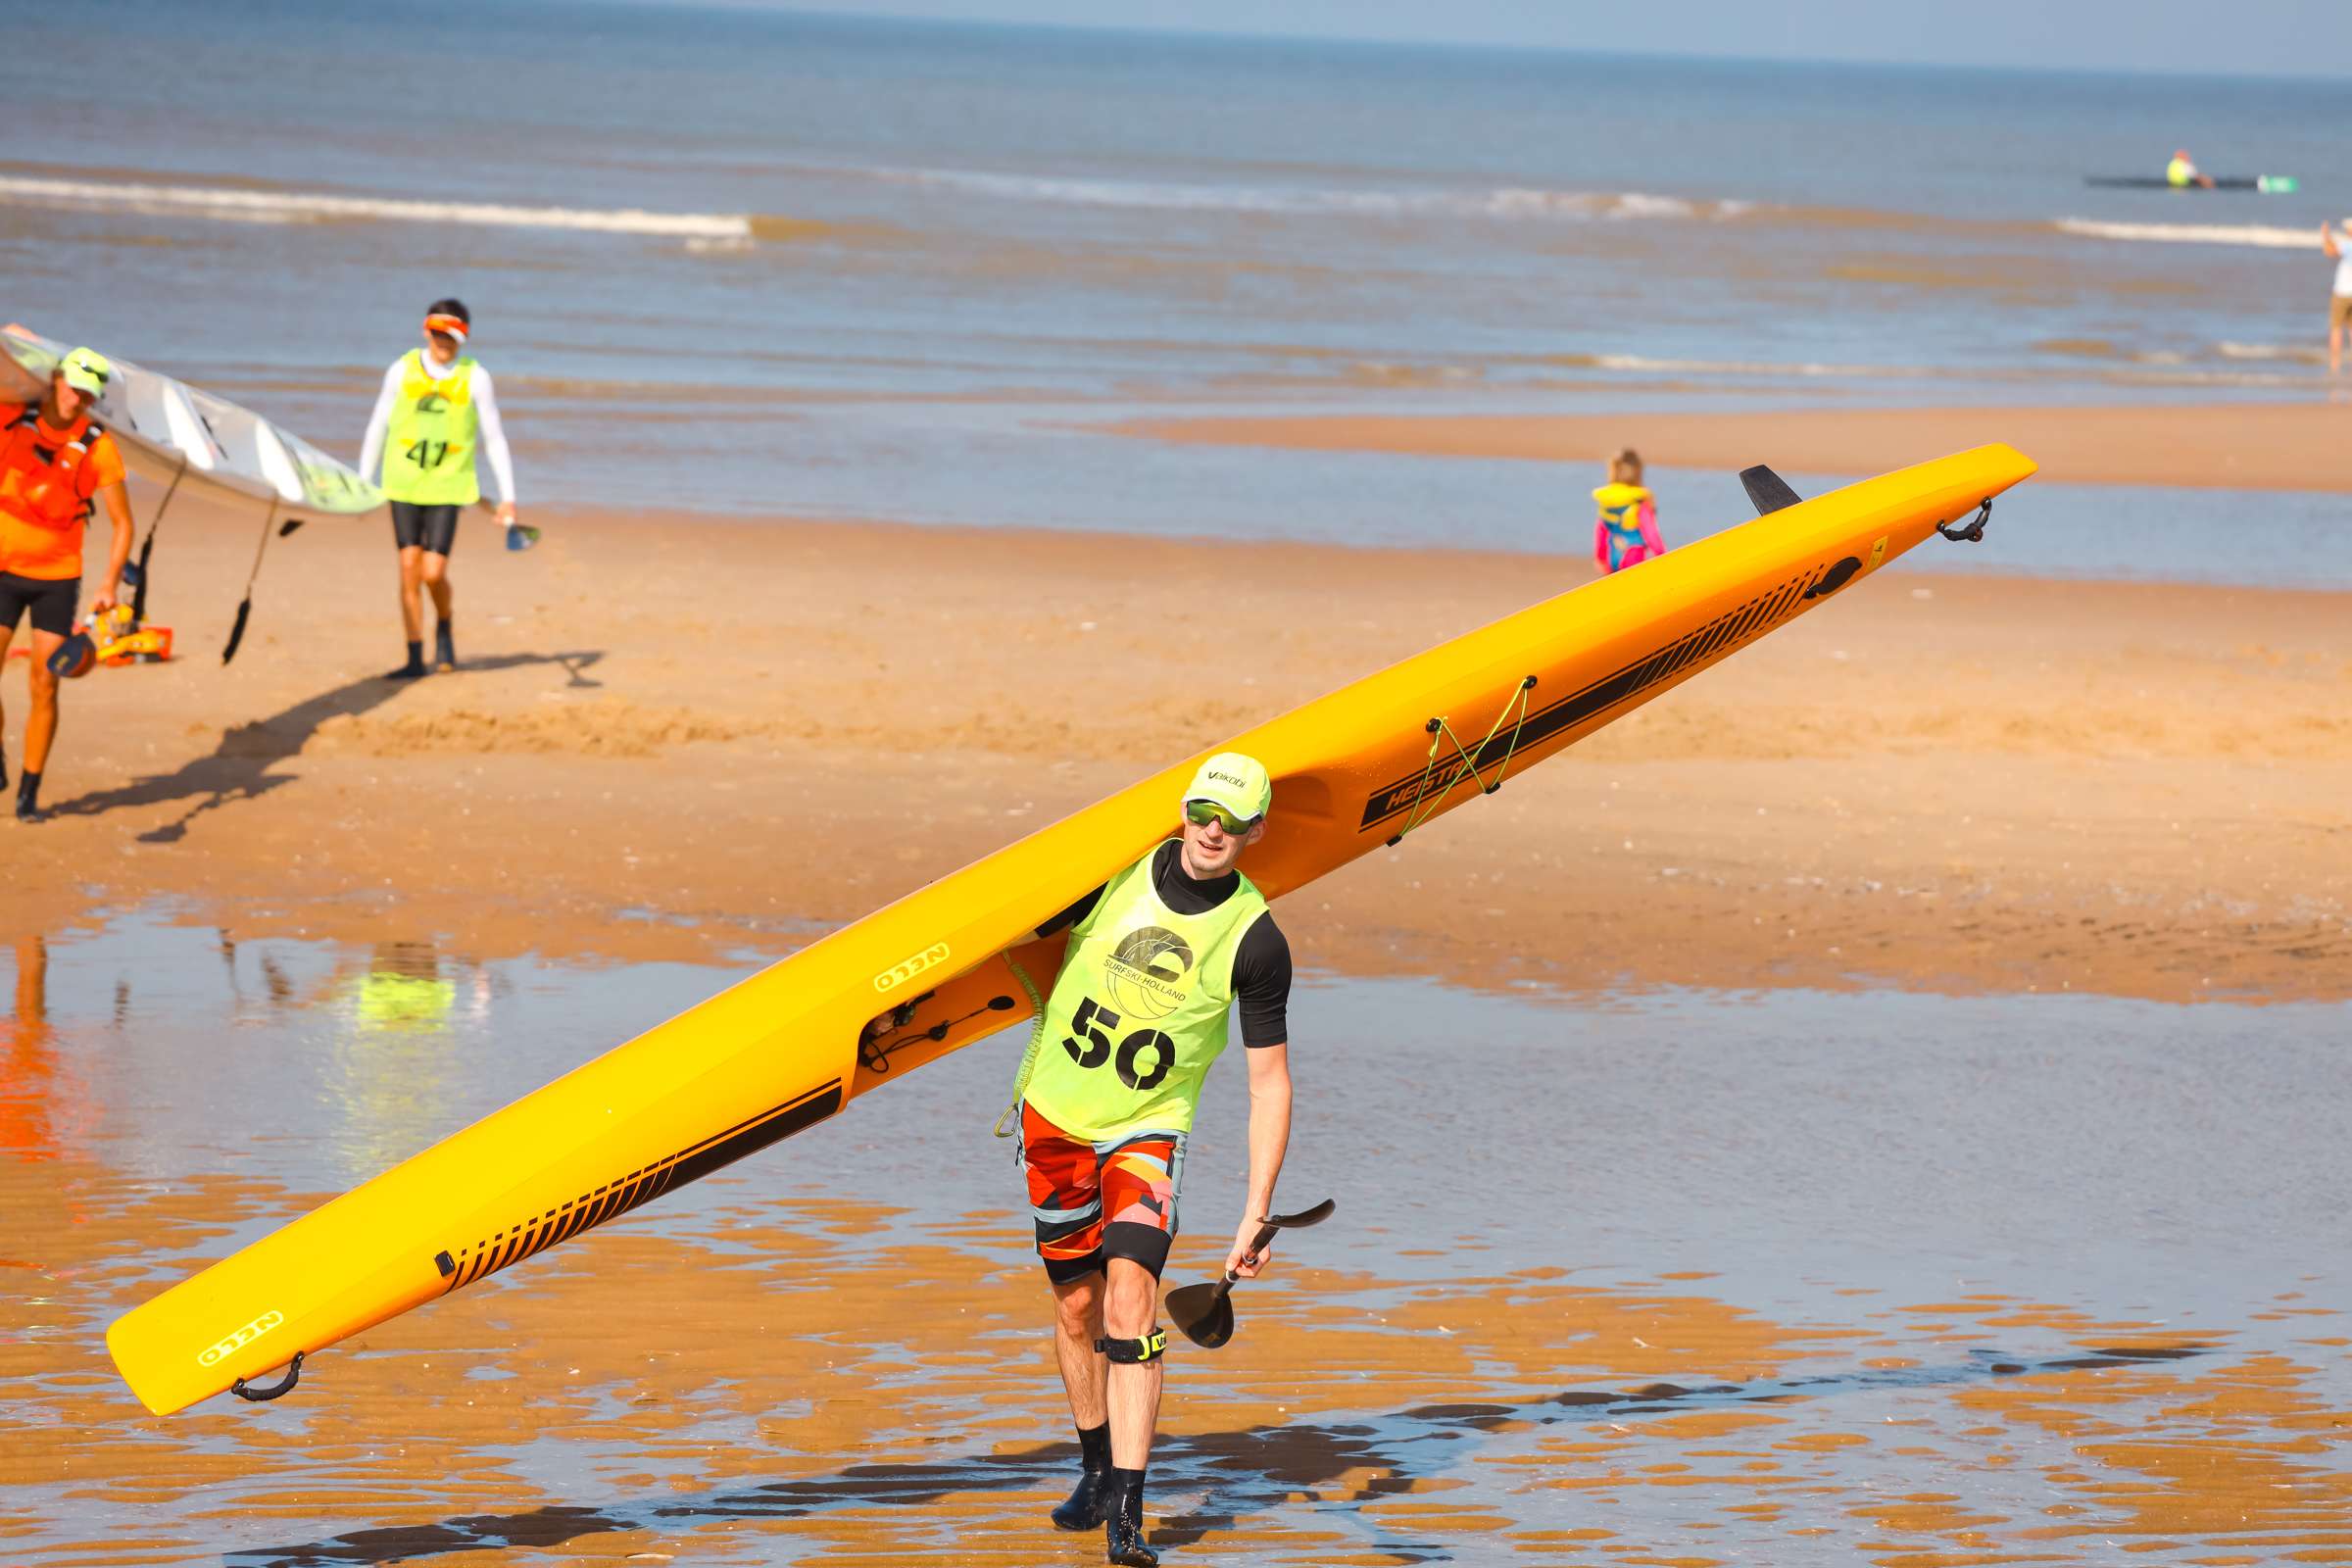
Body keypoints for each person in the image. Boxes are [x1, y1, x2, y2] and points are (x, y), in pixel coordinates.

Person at [1014, 752, 1294, 1567]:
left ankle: (1128, 1517)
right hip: (1055, 1120)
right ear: (1184, 809)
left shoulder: (1255, 940)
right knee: (1077, 1307)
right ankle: (1096, 1468)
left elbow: (1270, 1084)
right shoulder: (1112, 874)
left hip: (1146, 1132)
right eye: (1205, 812)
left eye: (1234, 822)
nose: (1214, 831)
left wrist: (1256, 1210)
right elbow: (1010, 930)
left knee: (1131, 1301)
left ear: (1256, 831)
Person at [0, 347, 134, 822]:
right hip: (3, 570)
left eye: (88, 396)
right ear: (55, 379)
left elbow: (123, 523)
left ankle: (29, 792)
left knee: (45, 683)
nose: (78, 400)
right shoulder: (13, 420)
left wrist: (109, 583)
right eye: (73, 388)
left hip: (56, 579)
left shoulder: (98, 446)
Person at [357, 299, 520, 679]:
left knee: (433, 572)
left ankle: (444, 621)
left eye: (451, 336)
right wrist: (362, 481)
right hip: (402, 482)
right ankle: (415, 657)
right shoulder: (401, 370)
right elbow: (378, 424)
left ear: (464, 338)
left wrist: (508, 497)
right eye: (437, 333)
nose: (443, 341)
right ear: (425, 330)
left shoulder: (476, 377)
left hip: (449, 486)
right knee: (408, 568)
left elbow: (495, 438)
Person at [1592, 447, 1665, 576]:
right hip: (1633, 555)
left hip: (1613, 556)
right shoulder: (1639, 501)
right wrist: (1661, 555)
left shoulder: (1608, 501)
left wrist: (1600, 557)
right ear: (1638, 473)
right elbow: (1651, 532)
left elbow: (1601, 531)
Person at [2323, 220, 2352, 376]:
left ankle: (2334, 366)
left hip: (2342, 293)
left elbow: (2329, 250)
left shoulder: (2348, 245)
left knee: (2336, 328)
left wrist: (2325, 235)